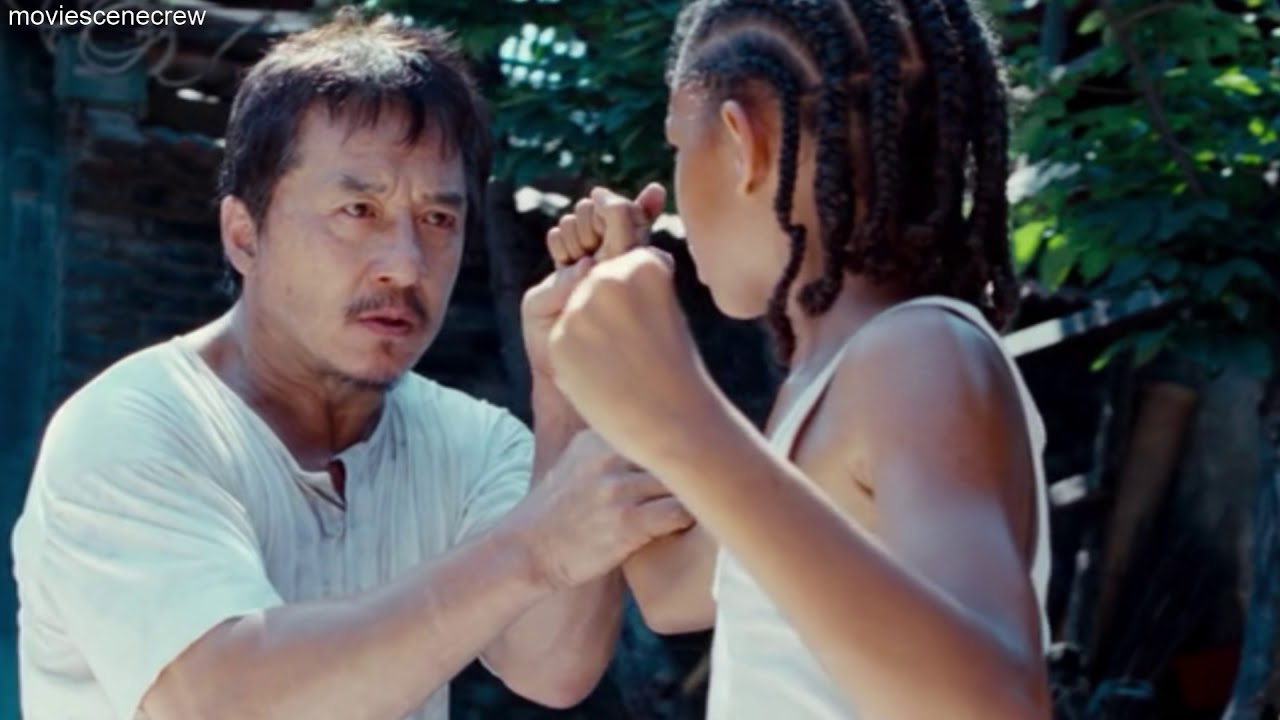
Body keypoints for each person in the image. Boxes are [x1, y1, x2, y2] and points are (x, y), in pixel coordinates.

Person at [8, 11, 693, 720]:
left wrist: (569, 388)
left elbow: (552, 665)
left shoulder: (473, 443)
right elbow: (221, 702)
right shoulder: (130, 428)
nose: (406, 265)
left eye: (437, 219)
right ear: (244, 234)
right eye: (358, 209)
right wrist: (530, 548)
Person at [542, 0, 1054, 718]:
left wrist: (687, 422)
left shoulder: (917, 352)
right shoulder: (825, 383)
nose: (673, 186)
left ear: (741, 142)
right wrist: (608, 359)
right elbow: (671, 592)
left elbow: (997, 705)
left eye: (677, 145)